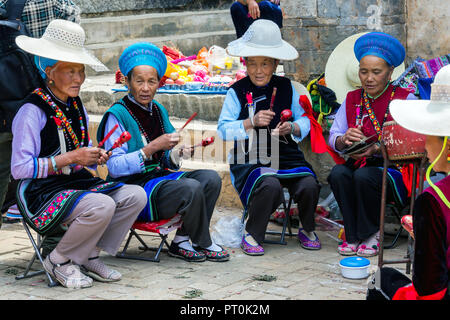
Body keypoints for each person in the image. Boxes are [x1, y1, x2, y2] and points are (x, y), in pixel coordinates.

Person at [12, 19, 148, 289]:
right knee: (102, 204)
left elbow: (78, 152)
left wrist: (93, 156)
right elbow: (20, 169)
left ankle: (87, 254)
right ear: (49, 72)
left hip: (73, 182)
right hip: (39, 191)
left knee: (135, 195)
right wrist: (72, 158)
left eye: (81, 71)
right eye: (70, 71)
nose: (78, 79)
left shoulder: (75, 106)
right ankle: (59, 260)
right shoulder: (31, 111)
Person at [96, 42, 230, 263]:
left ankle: (183, 240)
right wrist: (151, 148)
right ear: (127, 82)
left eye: (152, 81)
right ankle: (203, 241)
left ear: (160, 82)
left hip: (159, 180)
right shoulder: (117, 115)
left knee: (210, 179)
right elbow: (114, 167)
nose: (146, 88)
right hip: (133, 189)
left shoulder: (158, 110)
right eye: (139, 81)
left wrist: (178, 154)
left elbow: (166, 158)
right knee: (191, 187)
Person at [217, 19, 321, 256]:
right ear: (245, 63)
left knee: (308, 184)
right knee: (269, 184)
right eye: (252, 63)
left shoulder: (288, 87)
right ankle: (253, 233)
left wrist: (292, 127)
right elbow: (223, 129)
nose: (258, 70)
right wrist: (250, 122)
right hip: (251, 155)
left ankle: (307, 229)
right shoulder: (236, 91)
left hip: (286, 153)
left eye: (265, 63)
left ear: (275, 63)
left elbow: (306, 121)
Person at [327, 32, 418, 257]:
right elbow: (334, 137)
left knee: (364, 176)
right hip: (359, 163)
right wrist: (344, 139)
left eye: (376, 72)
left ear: (389, 73)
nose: (368, 78)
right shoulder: (351, 98)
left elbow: (416, 143)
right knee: (338, 173)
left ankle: (371, 234)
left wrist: (379, 148)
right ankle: (352, 234)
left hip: (395, 169)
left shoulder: (406, 99)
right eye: (363, 71)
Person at [367, 64, 450, 300]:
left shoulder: (433, 201)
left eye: (429, 136)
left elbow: (430, 287)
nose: (424, 144)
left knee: (380, 280)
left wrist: (426, 238)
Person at [0, 0, 81, 227]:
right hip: (43, 108)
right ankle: (53, 247)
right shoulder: (58, 5)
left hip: (6, 109)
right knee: (55, 180)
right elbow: (73, 55)